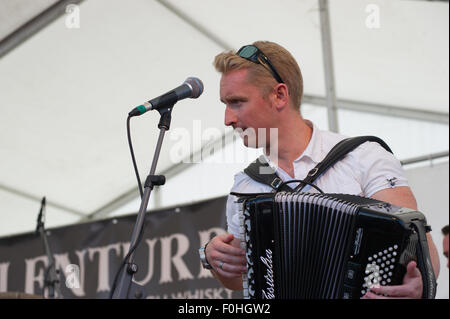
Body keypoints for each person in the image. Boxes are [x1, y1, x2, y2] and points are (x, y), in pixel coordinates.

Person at [200, 41, 440, 298]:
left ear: (279, 95)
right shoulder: (245, 185)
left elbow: (422, 253)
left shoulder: (364, 156)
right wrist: (216, 260)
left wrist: (417, 287)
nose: (228, 119)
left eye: (237, 102)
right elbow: (241, 279)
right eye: (225, 104)